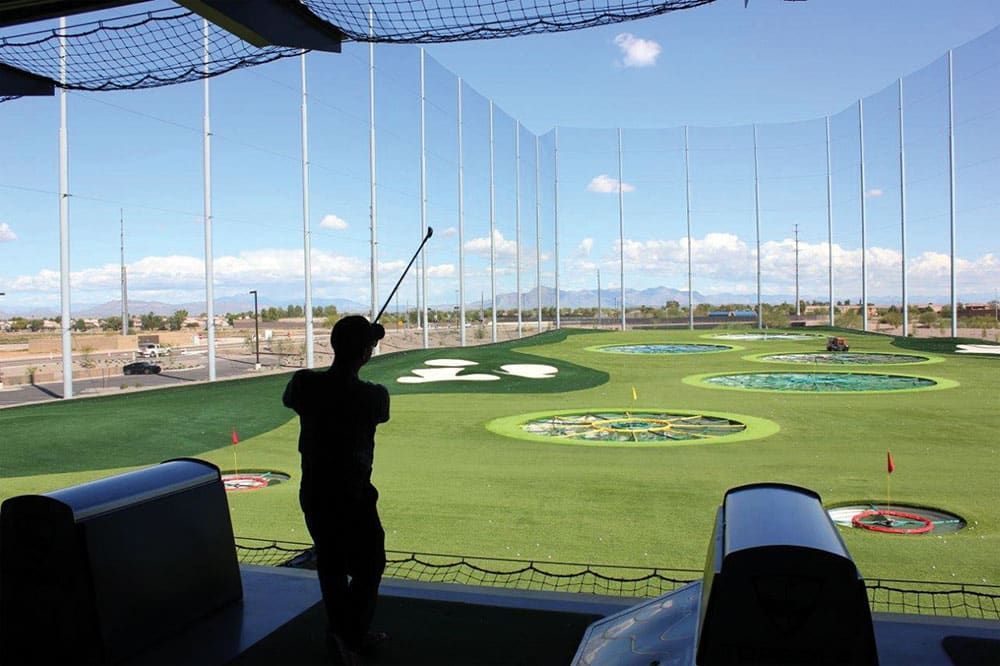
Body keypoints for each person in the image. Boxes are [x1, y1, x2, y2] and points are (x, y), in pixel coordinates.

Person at [282, 315, 389, 663]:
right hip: (353, 495)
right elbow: (378, 410)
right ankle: (347, 636)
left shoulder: (304, 384)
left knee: (332, 564)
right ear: (366, 353)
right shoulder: (373, 396)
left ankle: (347, 634)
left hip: (315, 492)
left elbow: (291, 397)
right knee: (369, 564)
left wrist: (358, 347)